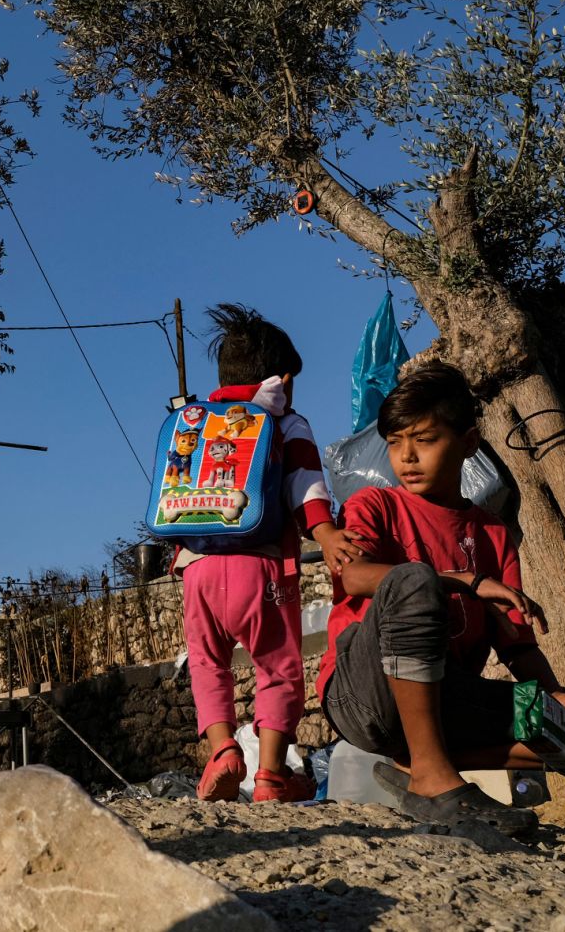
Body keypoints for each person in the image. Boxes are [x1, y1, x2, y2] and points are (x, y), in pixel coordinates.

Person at [319, 362, 565, 832]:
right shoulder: (376, 505)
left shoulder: (490, 531)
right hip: (366, 696)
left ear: (468, 443)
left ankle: (421, 764)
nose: (406, 457)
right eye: (395, 442)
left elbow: (517, 644)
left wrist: (555, 697)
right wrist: (465, 580)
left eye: (425, 440)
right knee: (413, 580)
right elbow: (353, 578)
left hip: (450, 700)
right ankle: (433, 776)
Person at [180, 303, 363, 803]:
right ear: (284, 377)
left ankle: (222, 752)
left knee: (206, 661)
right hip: (259, 565)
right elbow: (304, 481)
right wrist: (323, 532)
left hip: (195, 567)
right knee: (277, 666)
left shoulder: (196, 420)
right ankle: (270, 776)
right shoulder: (284, 420)